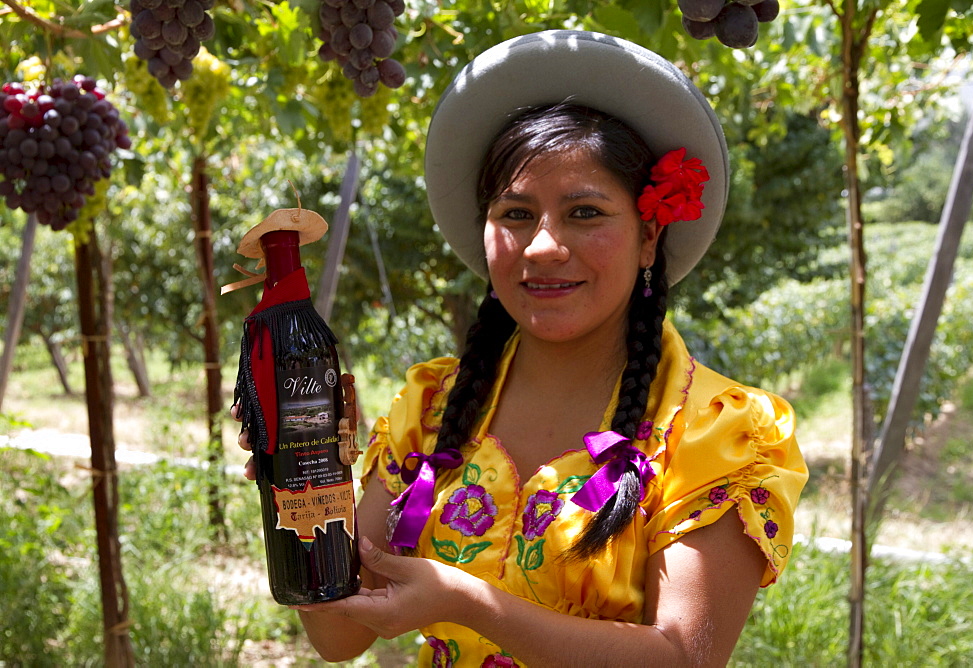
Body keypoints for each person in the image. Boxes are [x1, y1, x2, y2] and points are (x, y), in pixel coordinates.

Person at [234, 30, 808, 667]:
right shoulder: (432, 407)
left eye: (584, 213)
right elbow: (339, 638)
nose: (541, 247)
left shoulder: (718, 432)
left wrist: (467, 601)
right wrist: (301, 488)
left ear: (649, 236)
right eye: (514, 214)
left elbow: (681, 660)